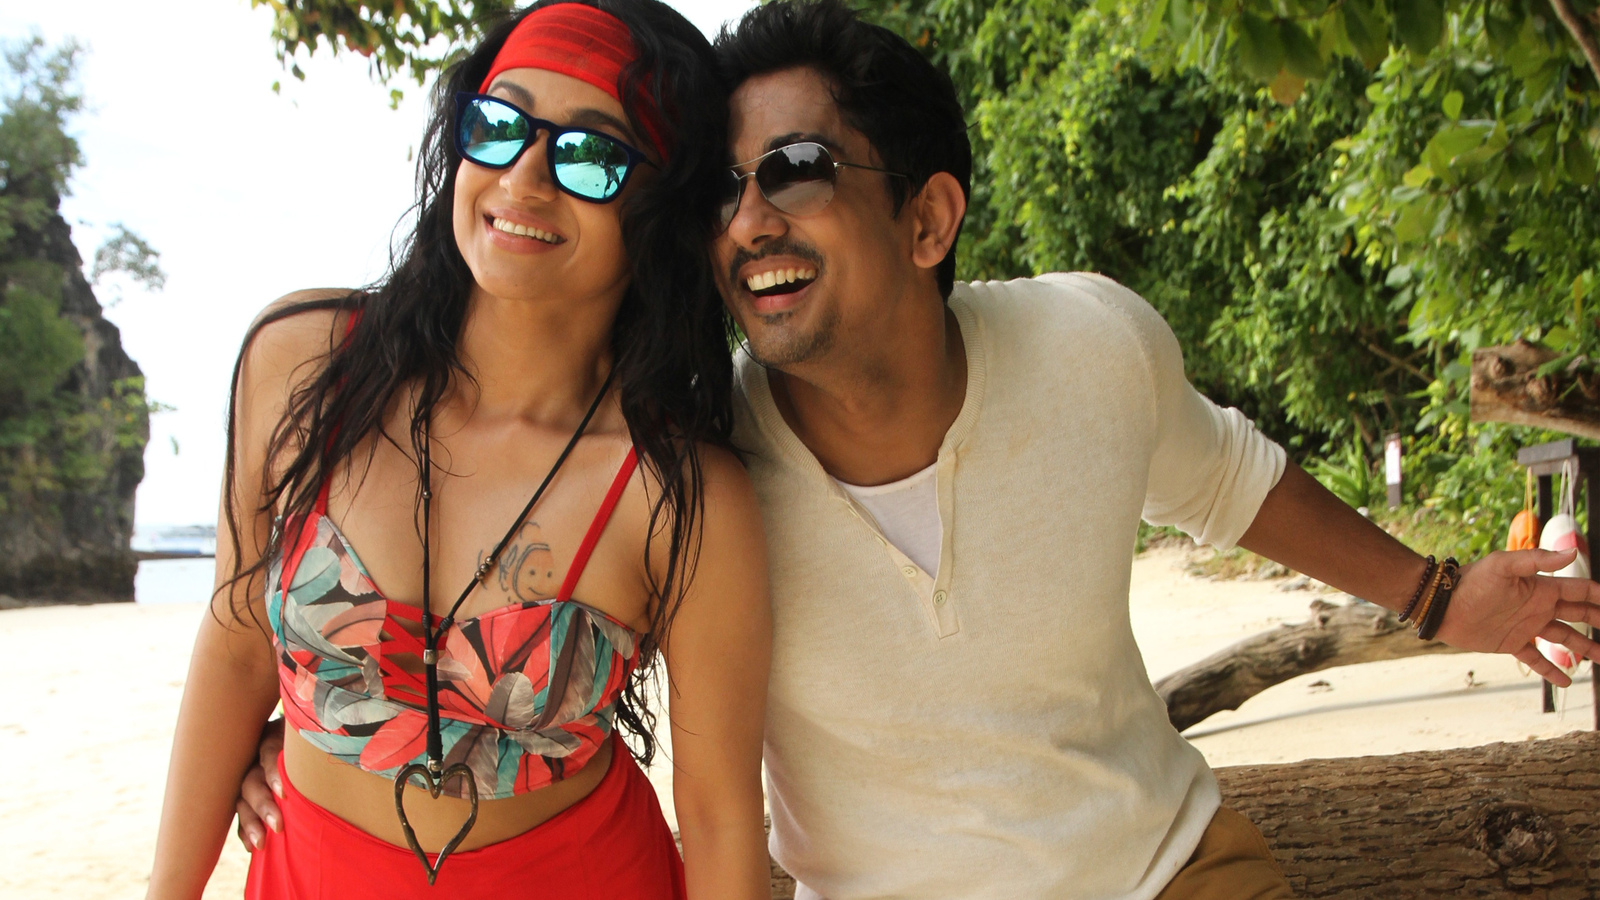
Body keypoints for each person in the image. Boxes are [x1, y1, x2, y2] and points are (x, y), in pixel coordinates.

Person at [238, 1, 1600, 897]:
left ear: (929, 219)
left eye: (795, 171)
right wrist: (310, 721)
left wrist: (1441, 597)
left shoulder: (1086, 344)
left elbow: (1236, 480)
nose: (747, 221)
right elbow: (511, 584)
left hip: (1165, 872)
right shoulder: (701, 465)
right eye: (721, 191)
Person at [146, 1, 771, 898]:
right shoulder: (302, 365)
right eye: (500, 124)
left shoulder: (677, 492)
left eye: (590, 155)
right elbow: (240, 642)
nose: (524, 176)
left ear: (661, 204)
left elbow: (717, 817)